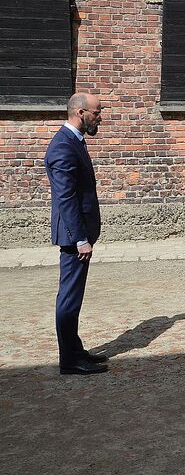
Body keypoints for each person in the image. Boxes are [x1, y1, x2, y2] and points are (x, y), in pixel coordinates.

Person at [44, 92, 109, 375]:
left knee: (74, 295)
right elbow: (66, 197)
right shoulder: (63, 147)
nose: (100, 117)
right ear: (80, 113)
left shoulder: (73, 142)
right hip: (74, 237)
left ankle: (75, 349)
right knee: (69, 298)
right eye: (96, 112)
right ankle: (69, 360)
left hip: (78, 233)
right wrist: (80, 239)